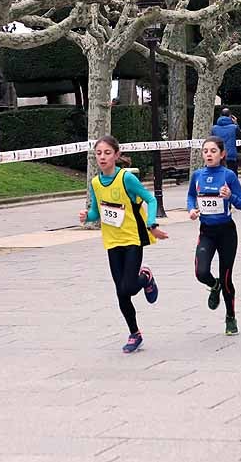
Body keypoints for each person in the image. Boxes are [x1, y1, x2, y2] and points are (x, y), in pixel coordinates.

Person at [80, 136, 168, 353]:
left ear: (117, 155)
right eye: (99, 153)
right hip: (112, 242)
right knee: (121, 293)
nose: (102, 157)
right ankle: (134, 333)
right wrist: (86, 216)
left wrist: (151, 223)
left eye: (107, 153)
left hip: (131, 239)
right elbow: (96, 212)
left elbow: (151, 199)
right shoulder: (95, 183)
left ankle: (145, 276)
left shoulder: (126, 179)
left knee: (128, 286)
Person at [188, 136, 241, 336]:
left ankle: (230, 317)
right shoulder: (197, 175)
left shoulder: (228, 176)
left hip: (226, 233)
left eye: (213, 151)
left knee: (227, 278)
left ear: (222, 154)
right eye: (205, 151)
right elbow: (190, 196)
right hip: (206, 231)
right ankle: (214, 286)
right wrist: (191, 210)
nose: (208, 154)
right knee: (200, 272)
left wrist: (230, 196)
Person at [211, 108, 241, 174]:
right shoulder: (234, 127)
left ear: (220, 116)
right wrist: (236, 123)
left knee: (219, 175)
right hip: (231, 156)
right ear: (230, 116)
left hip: (218, 155)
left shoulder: (214, 128)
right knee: (233, 176)